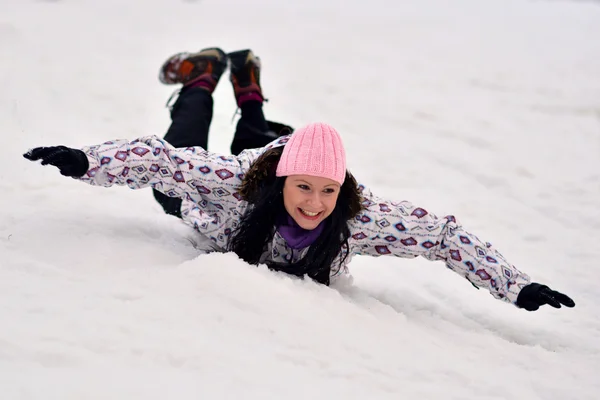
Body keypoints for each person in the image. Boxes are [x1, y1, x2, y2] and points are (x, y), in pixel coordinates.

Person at [23, 47, 575, 312]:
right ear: (281, 179)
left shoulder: (357, 218)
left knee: (263, 134)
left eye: (327, 190)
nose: (315, 203)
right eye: (305, 187)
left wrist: (516, 285)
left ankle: (249, 87)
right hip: (207, 201)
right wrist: (86, 161)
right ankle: (204, 75)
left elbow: (443, 237)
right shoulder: (236, 179)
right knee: (182, 139)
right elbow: (159, 160)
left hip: (273, 160)